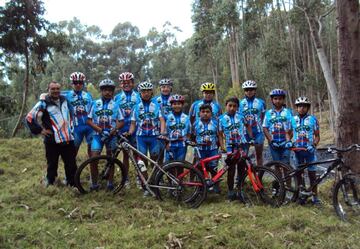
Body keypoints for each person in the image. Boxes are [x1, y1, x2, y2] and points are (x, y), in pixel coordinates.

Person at [26, 82, 77, 187]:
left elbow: (73, 95)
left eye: (58, 88)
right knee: (52, 164)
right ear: (48, 90)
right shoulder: (43, 103)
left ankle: (72, 183)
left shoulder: (65, 100)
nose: (55, 91)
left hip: (67, 138)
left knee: (71, 164)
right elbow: (29, 117)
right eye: (53, 89)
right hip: (52, 140)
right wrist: (40, 130)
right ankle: (51, 183)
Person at [127, 81, 166, 196]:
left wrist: (163, 132)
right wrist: (129, 133)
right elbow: (133, 123)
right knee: (142, 162)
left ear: (152, 92)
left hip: (154, 137)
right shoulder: (136, 107)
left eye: (148, 91)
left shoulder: (156, 106)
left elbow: (162, 120)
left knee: (155, 162)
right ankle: (145, 185)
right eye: (144, 91)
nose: (146, 93)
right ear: (140, 93)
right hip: (141, 138)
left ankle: (154, 183)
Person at [87, 79, 124, 191]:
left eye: (110, 90)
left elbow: (121, 121)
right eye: (105, 90)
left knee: (111, 159)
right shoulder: (95, 104)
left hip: (112, 136)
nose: (107, 92)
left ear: (113, 92)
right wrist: (99, 130)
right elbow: (88, 121)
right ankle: (94, 183)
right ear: (101, 91)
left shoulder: (116, 105)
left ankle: (110, 183)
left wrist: (114, 130)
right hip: (98, 135)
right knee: (94, 158)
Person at [219, 97, 253, 200]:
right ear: (226, 106)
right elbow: (220, 134)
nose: (232, 108)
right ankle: (230, 191)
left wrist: (250, 138)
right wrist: (222, 146)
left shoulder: (241, 116)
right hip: (230, 146)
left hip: (242, 145)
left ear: (237, 107)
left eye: (234, 106)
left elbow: (248, 126)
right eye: (230, 106)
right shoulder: (221, 118)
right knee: (231, 168)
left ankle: (240, 189)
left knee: (241, 167)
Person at [291, 96, 321, 205]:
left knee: (312, 175)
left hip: (310, 152)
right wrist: (289, 142)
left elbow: (317, 136)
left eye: (304, 106)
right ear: (296, 108)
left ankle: (315, 197)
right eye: (299, 106)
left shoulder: (313, 119)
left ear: (308, 107)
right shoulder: (292, 119)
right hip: (297, 152)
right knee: (299, 174)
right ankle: (302, 195)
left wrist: (313, 144)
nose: (302, 108)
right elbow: (288, 133)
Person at [114, 72, 140, 188]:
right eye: (123, 83)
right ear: (120, 84)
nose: (126, 85)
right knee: (125, 155)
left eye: (128, 82)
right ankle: (126, 179)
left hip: (137, 129)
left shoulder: (138, 96)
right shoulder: (117, 98)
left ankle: (140, 179)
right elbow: (115, 115)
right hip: (123, 129)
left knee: (137, 155)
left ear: (133, 83)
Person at [192, 103, 221, 193]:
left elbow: (219, 135)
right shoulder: (195, 123)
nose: (205, 113)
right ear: (199, 113)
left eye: (207, 112)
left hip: (213, 149)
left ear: (211, 113)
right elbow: (192, 136)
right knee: (200, 168)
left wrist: (220, 146)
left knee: (213, 168)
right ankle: (201, 187)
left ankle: (215, 185)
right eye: (203, 112)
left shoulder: (216, 123)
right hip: (200, 150)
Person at [65, 72, 94, 157]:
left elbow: (93, 109)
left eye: (80, 83)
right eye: (75, 82)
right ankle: (72, 170)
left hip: (90, 127)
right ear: (71, 83)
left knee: (92, 151)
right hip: (76, 127)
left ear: (83, 84)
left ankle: (92, 168)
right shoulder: (67, 95)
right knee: (73, 152)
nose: (78, 85)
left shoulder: (88, 95)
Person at [239, 80, 266, 167]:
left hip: (258, 132)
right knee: (243, 157)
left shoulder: (261, 102)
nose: (249, 92)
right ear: (244, 91)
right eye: (247, 90)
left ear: (255, 90)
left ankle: (259, 177)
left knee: (259, 155)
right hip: (244, 133)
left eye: (251, 89)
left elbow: (263, 117)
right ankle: (241, 178)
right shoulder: (240, 103)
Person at [263, 89, 293, 165]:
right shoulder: (268, 113)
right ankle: (278, 177)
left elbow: (292, 128)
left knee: (286, 164)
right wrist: (271, 140)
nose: (278, 101)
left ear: (283, 99)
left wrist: (288, 140)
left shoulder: (288, 112)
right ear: (272, 100)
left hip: (285, 143)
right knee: (277, 164)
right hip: (273, 143)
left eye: (280, 99)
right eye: (275, 99)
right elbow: (265, 128)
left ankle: (287, 177)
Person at [165, 94, 191, 162]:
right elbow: (165, 132)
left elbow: (189, 132)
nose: (177, 106)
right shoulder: (167, 117)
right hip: (170, 145)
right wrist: (166, 144)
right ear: (171, 105)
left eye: (179, 104)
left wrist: (186, 142)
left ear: (182, 105)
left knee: (180, 165)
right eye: (174, 104)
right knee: (170, 165)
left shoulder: (186, 117)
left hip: (182, 146)